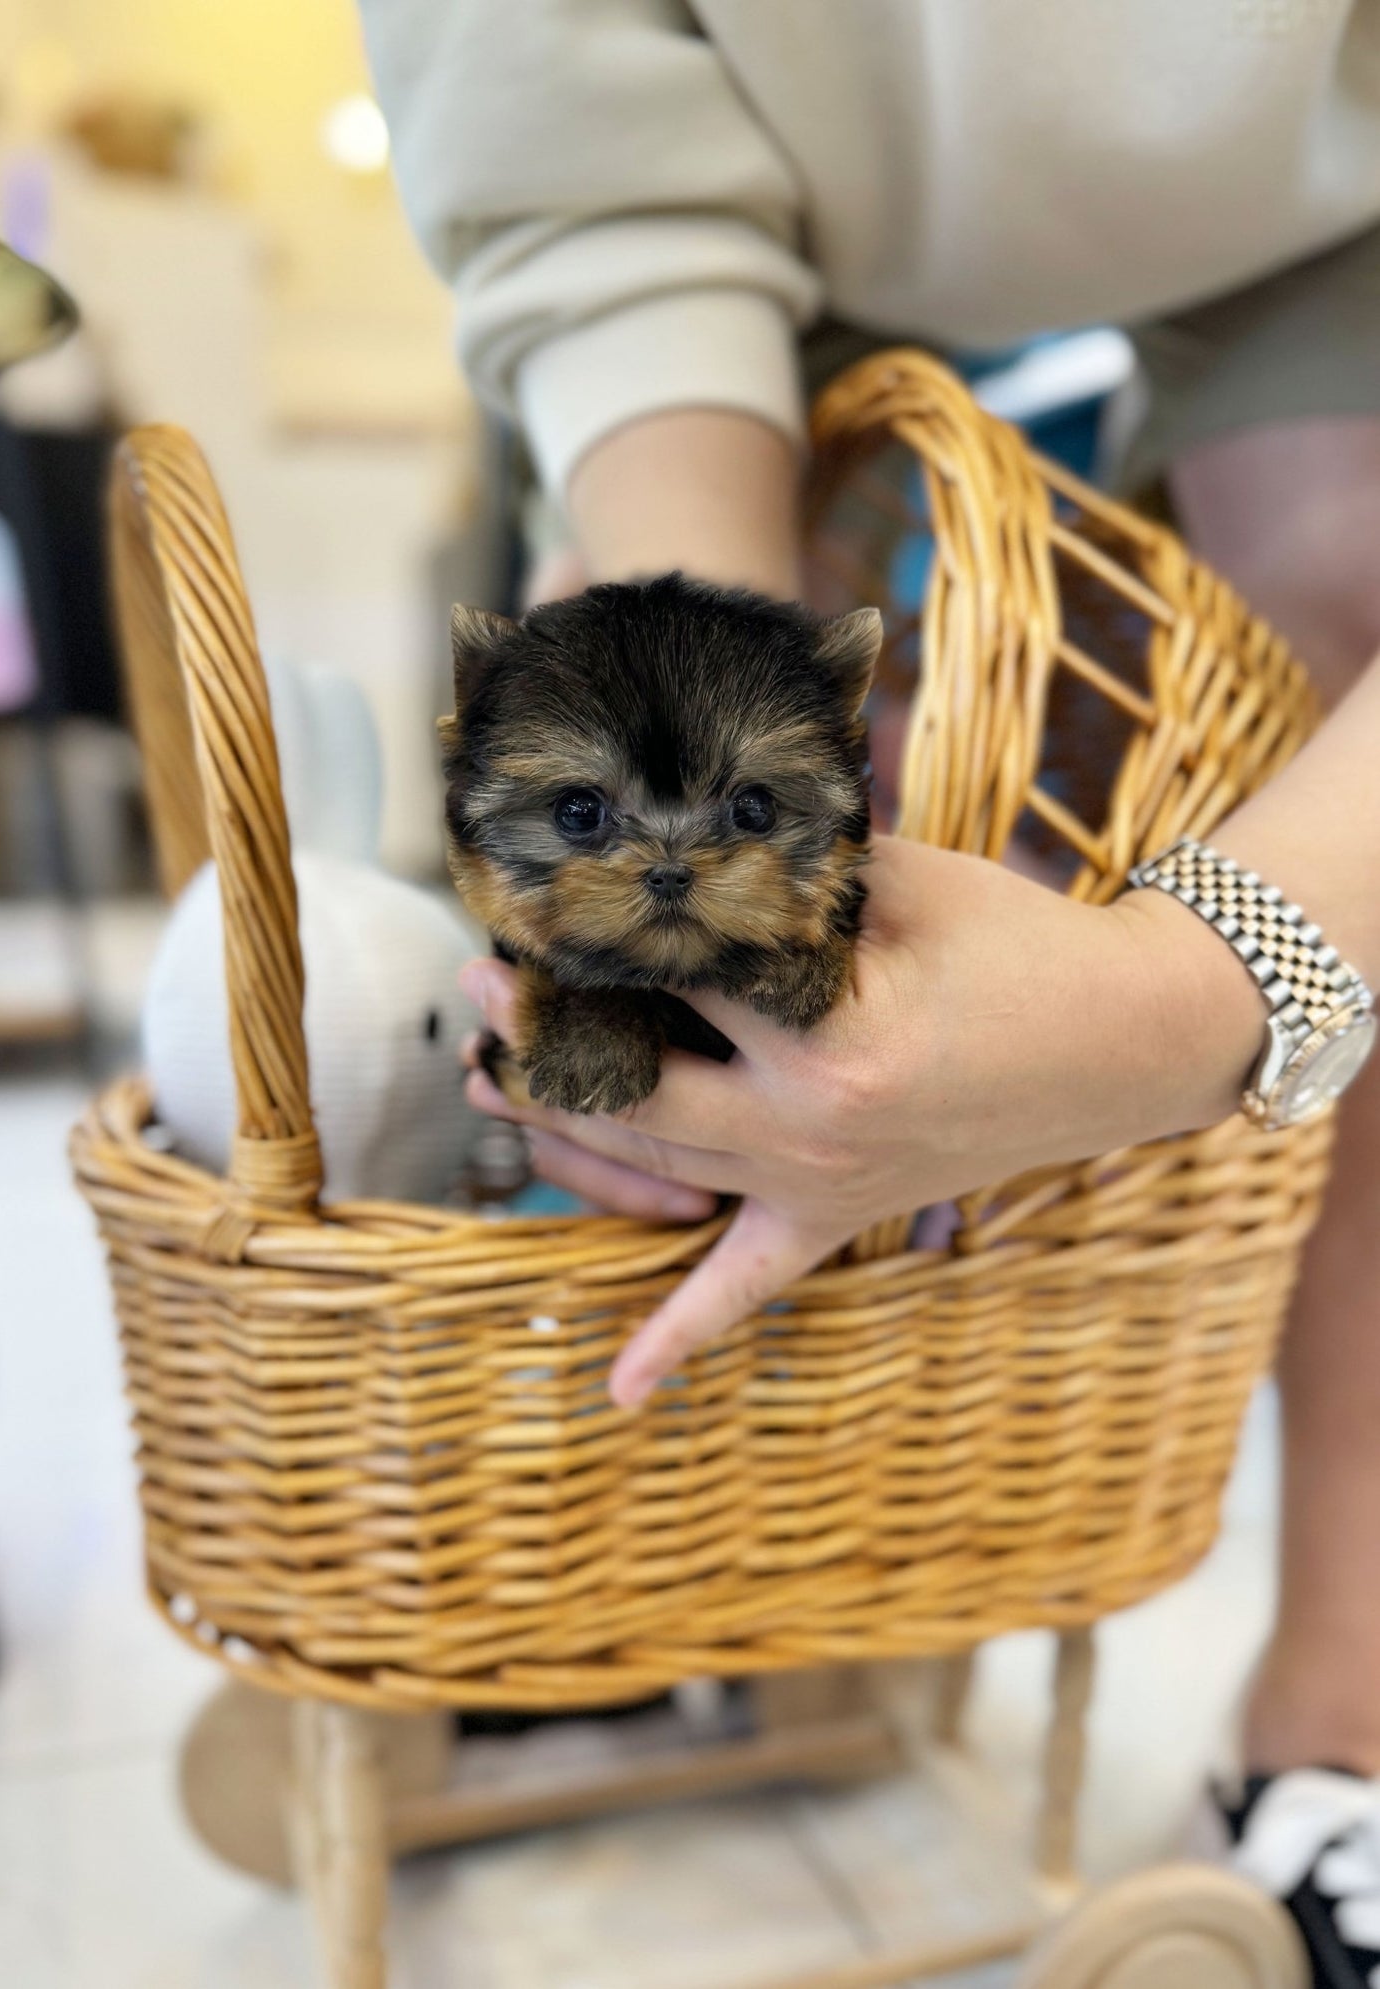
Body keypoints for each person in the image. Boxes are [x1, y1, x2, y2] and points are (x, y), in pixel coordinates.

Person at [359, 4, 1380, 1969]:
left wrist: (1188, 990)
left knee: (1331, 642)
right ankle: (714, 1554)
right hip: (714, 174)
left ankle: (1340, 1700)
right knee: (680, 900)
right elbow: (597, 201)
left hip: (1335, 190)